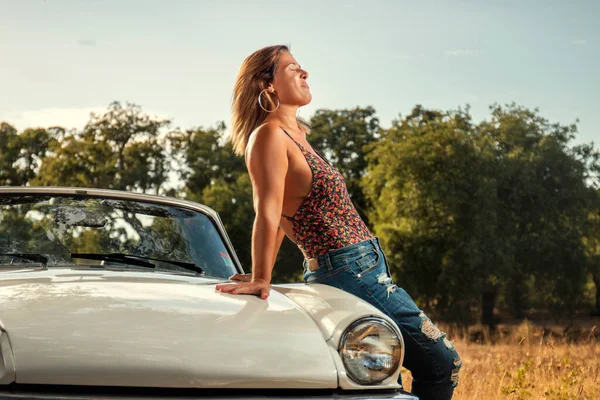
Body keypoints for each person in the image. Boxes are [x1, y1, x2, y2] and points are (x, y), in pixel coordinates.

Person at [215, 45, 462, 400]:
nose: (305, 73)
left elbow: (288, 212)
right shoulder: (268, 136)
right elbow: (269, 211)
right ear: (266, 84)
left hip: (366, 268)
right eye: (293, 68)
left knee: (381, 376)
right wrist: (260, 279)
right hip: (348, 271)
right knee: (442, 363)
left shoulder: (297, 134)